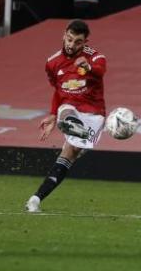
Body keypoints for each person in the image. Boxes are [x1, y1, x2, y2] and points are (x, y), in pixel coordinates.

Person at [25, 20, 106, 213]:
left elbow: (100, 71)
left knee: (70, 154)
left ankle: (35, 199)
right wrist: (53, 115)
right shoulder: (52, 63)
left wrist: (87, 68)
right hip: (70, 108)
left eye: (78, 42)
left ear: (85, 42)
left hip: (93, 112)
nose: (71, 44)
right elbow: (58, 91)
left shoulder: (96, 57)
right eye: (69, 39)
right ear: (64, 35)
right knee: (66, 109)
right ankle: (70, 124)